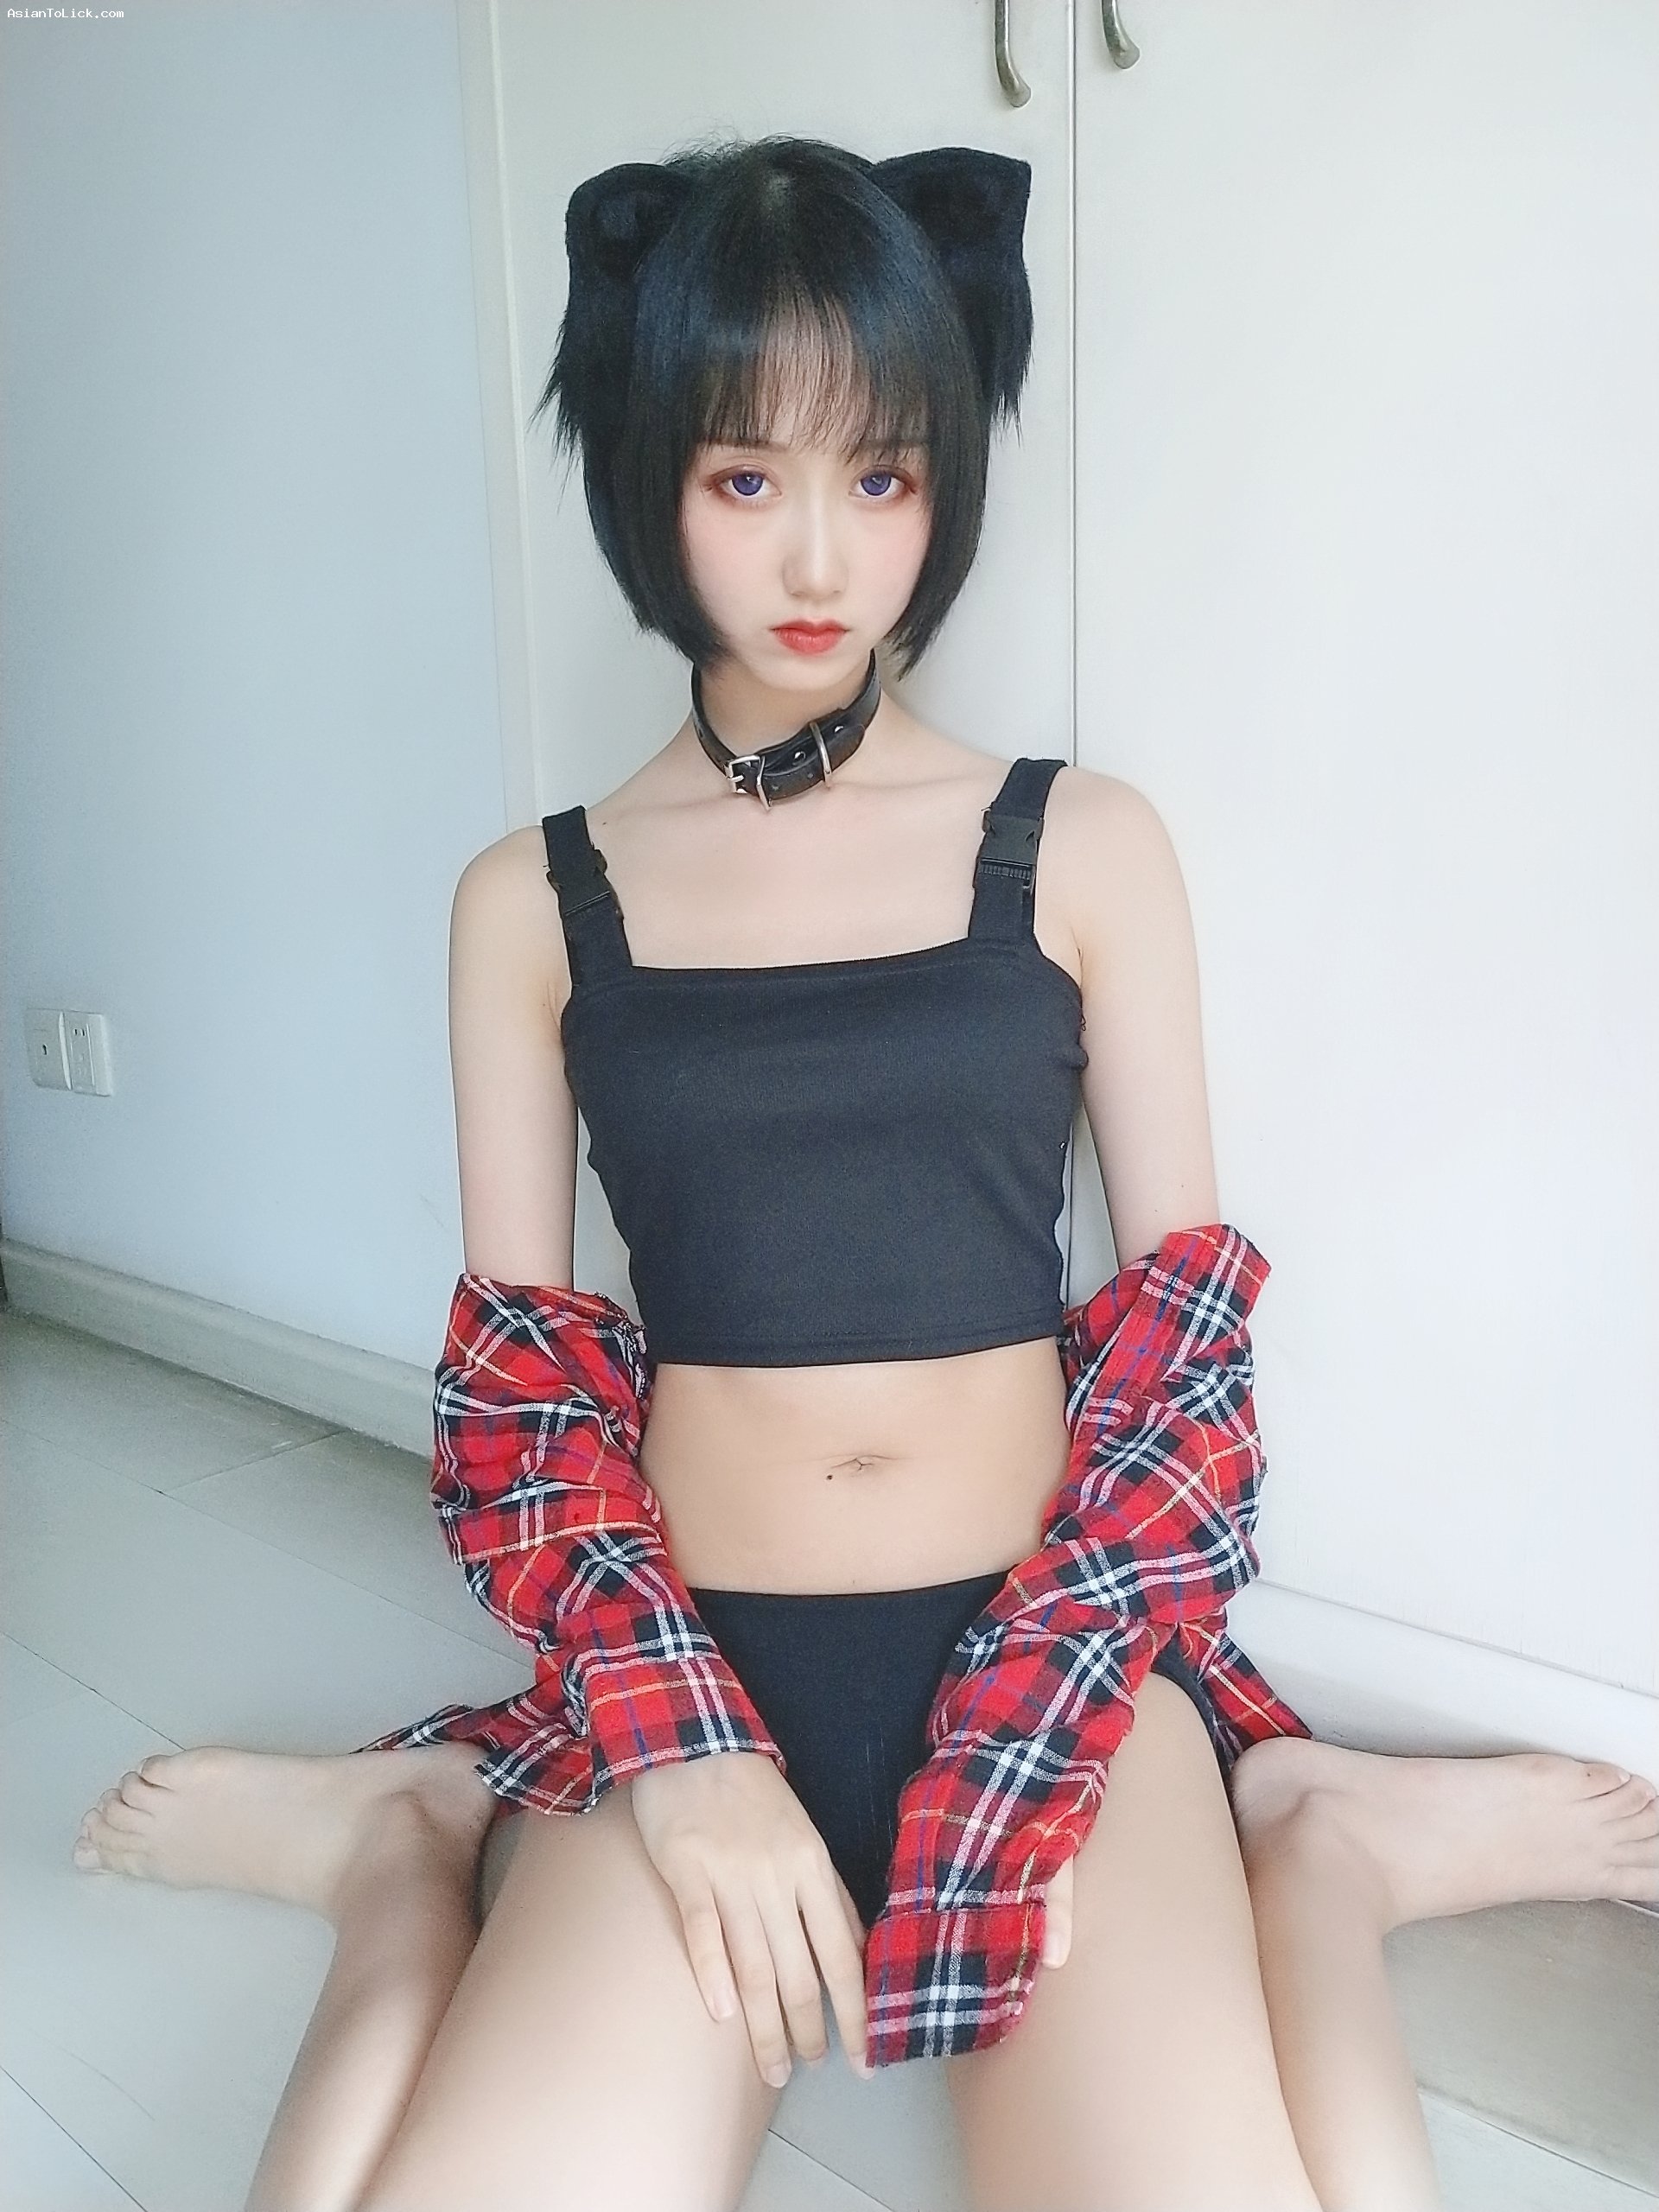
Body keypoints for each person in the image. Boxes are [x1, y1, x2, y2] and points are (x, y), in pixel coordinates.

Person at [72, 135, 1656, 2212]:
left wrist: (1046, 1710)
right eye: (746, 477)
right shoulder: (528, 900)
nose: (821, 553)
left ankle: (1320, 1840)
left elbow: (1183, 1373)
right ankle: (402, 1851)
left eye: (883, 475)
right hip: (696, 1665)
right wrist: (683, 1745)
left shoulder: (1084, 845)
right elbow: (527, 1410)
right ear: (650, 478)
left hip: (1047, 1658)